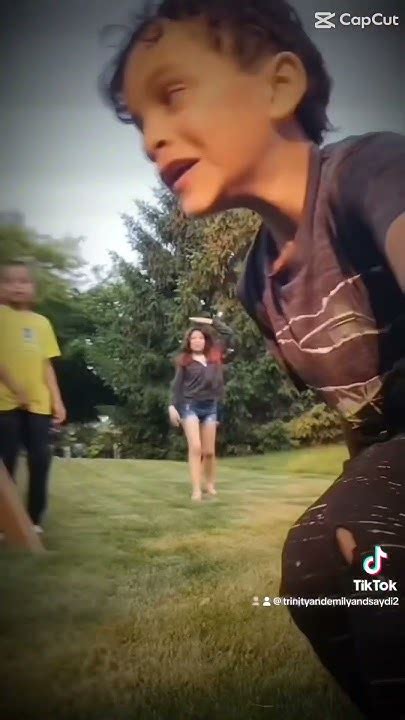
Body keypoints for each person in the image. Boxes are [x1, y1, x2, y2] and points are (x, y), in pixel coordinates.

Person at [101, 1, 405, 715]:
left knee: (373, 542)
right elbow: (366, 426)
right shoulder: (257, 283)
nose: (151, 138)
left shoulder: (369, 172)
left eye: (173, 93)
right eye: (139, 120)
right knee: (312, 571)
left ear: (279, 86)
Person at [0, 261, 66, 533]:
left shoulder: (42, 323)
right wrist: (16, 389)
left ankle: (34, 519)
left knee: (40, 459)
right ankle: (5, 521)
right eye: (10, 281)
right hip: (5, 403)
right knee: (6, 462)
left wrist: (57, 401)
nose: (17, 286)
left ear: (33, 288)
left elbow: (46, 365)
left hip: (38, 405)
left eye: (24, 281)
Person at [169, 316, 234, 501]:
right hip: (189, 405)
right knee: (196, 447)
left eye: (200, 338)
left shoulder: (215, 355)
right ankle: (196, 490)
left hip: (210, 406)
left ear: (205, 340)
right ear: (189, 342)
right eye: (193, 338)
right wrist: (172, 406)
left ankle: (210, 485)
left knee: (209, 452)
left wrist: (211, 322)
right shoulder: (184, 361)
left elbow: (229, 334)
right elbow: (176, 385)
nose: (197, 341)